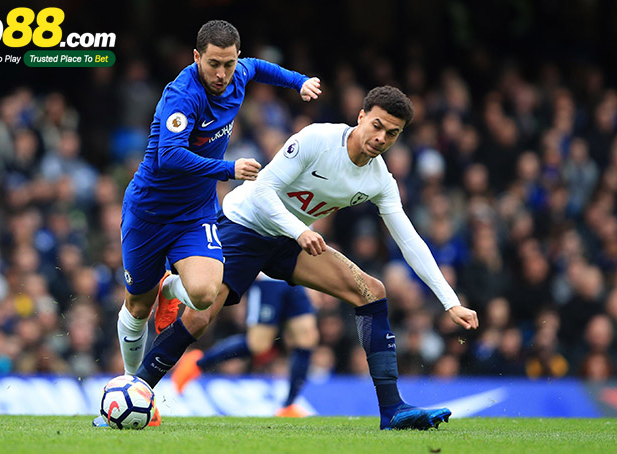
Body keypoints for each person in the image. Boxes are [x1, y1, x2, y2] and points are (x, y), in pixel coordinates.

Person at [138, 85, 478, 430]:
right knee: (199, 319)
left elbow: (409, 240)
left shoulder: (379, 179)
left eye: (392, 133)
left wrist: (450, 302)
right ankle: (137, 390)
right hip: (245, 225)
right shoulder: (317, 139)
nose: (381, 137)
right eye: (376, 125)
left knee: (371, 290)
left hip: (291, 239)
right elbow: (264, 190)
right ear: (361, 117)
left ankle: (392, 410)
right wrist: (299, 230)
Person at [95, 20, 321, 427]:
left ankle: (162, 321)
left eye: (229, 64)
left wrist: (300, 81)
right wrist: (228, 167)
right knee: (139, 305)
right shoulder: (182, 96)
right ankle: (134, 387)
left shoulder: (239, 72)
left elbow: (261, 67)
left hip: (195, 212)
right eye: (214, 64)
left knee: (204, 294)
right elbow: (169, 156)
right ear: (196, 57)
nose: (222, 74)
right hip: (148, 212)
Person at [173, 276, 318, 417]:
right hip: (269, 280)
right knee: (258, 344)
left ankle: (288, 406)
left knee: (306, 339)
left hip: (295, 279)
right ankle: (198, 363)